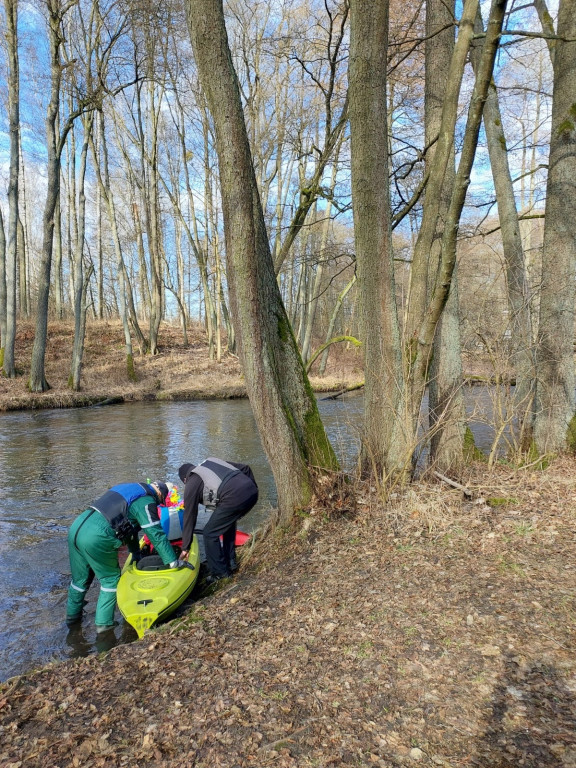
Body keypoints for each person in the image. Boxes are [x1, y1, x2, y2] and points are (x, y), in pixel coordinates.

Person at [66, 481, 183, 633]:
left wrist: (135, 553)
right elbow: (155, 533)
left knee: (79, 581)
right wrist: (172, 561)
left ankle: (72, 620)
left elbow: (129, 528)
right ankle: (104, 628)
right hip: (97, 536)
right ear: (160, 494)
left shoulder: (130, 488)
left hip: (77, 527)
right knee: (110, 580)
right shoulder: (146, 500)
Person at [178, 458, 258, 584]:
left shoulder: (191, 483)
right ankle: (230, 562)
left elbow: (190, 516)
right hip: (252, 489)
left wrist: (185, 547)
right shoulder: (211, 462)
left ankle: (220, 574)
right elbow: (246, 468)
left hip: (234, 496)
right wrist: (251, 490)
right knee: (228, 523)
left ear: (184, 479)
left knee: (209, 533)